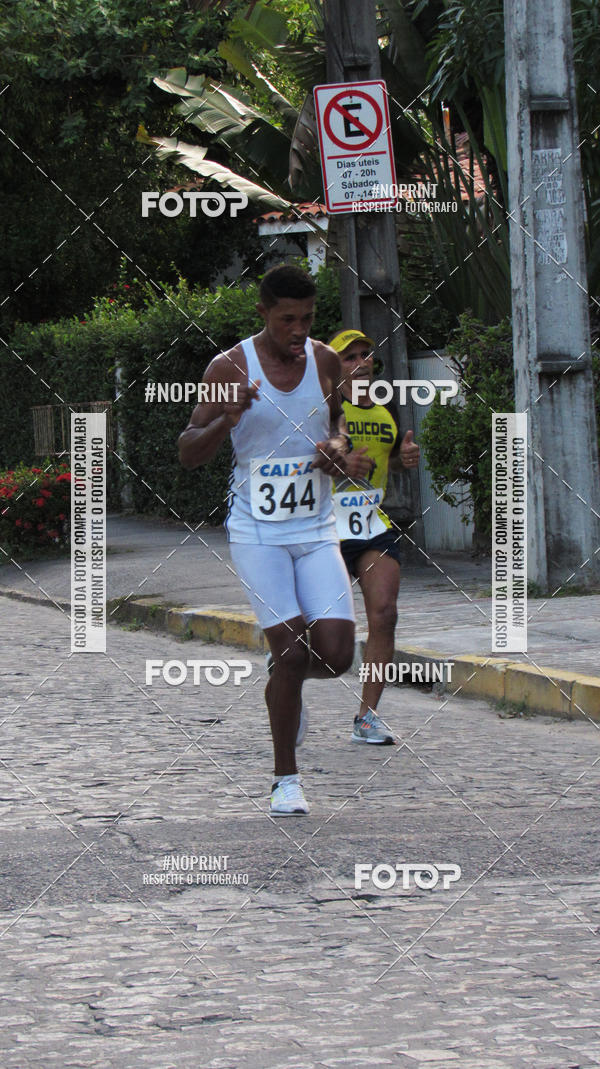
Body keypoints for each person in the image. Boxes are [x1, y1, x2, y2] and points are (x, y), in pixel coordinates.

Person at [178, 266, 356, 817]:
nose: (298, 330)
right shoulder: (229, 367)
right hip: (258, 532)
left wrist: (337, 448)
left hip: (316, 527)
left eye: (307, 319)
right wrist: (226, 421)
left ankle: (287, 681)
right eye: (287, 320)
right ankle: (285, 780)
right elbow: (187, 451)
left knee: (336, 656)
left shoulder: (325, 361)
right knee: (291, 649)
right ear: (263, 314)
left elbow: (338, 424)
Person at [328, 329, 420, 744]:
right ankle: (285, 665)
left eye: (366, 355)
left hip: (370, 526)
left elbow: (387, 464)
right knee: (320, 633)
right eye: (350, 357)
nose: (362, 363)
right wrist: (340, 458)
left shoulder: (384, 413)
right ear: (333, 368)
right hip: (321, 527)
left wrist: (402, 461)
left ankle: (367, 718)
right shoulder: (325, 409)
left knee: (385, 615)